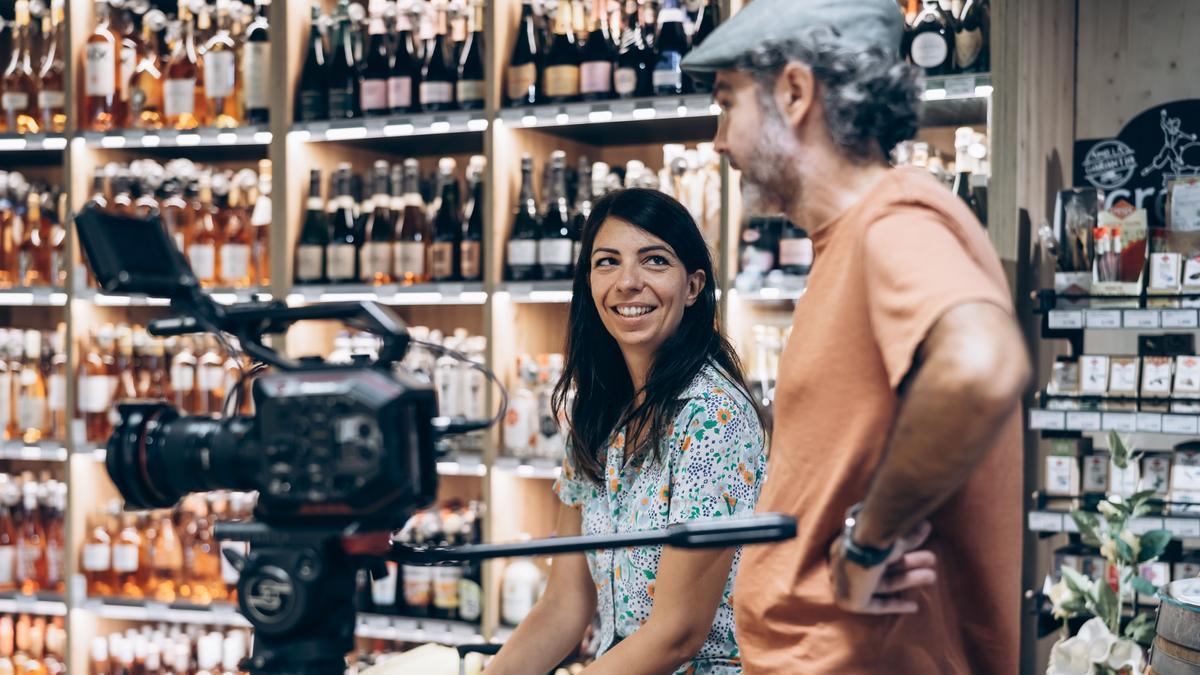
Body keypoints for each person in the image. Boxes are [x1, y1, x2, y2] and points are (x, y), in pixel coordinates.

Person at [680, 1, 1031, 673]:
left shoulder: (893, 217)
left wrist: (866, 545)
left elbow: (982, 363)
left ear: (794, 91)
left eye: (728, 104)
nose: (719, 141)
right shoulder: (845, 241)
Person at [486, 189, 767, 675]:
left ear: (694, 286)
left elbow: (677, 634)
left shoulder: (713, 417)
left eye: (654, 261)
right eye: (607, 262)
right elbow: (564, 605)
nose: (628, 282)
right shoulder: (598, 411)